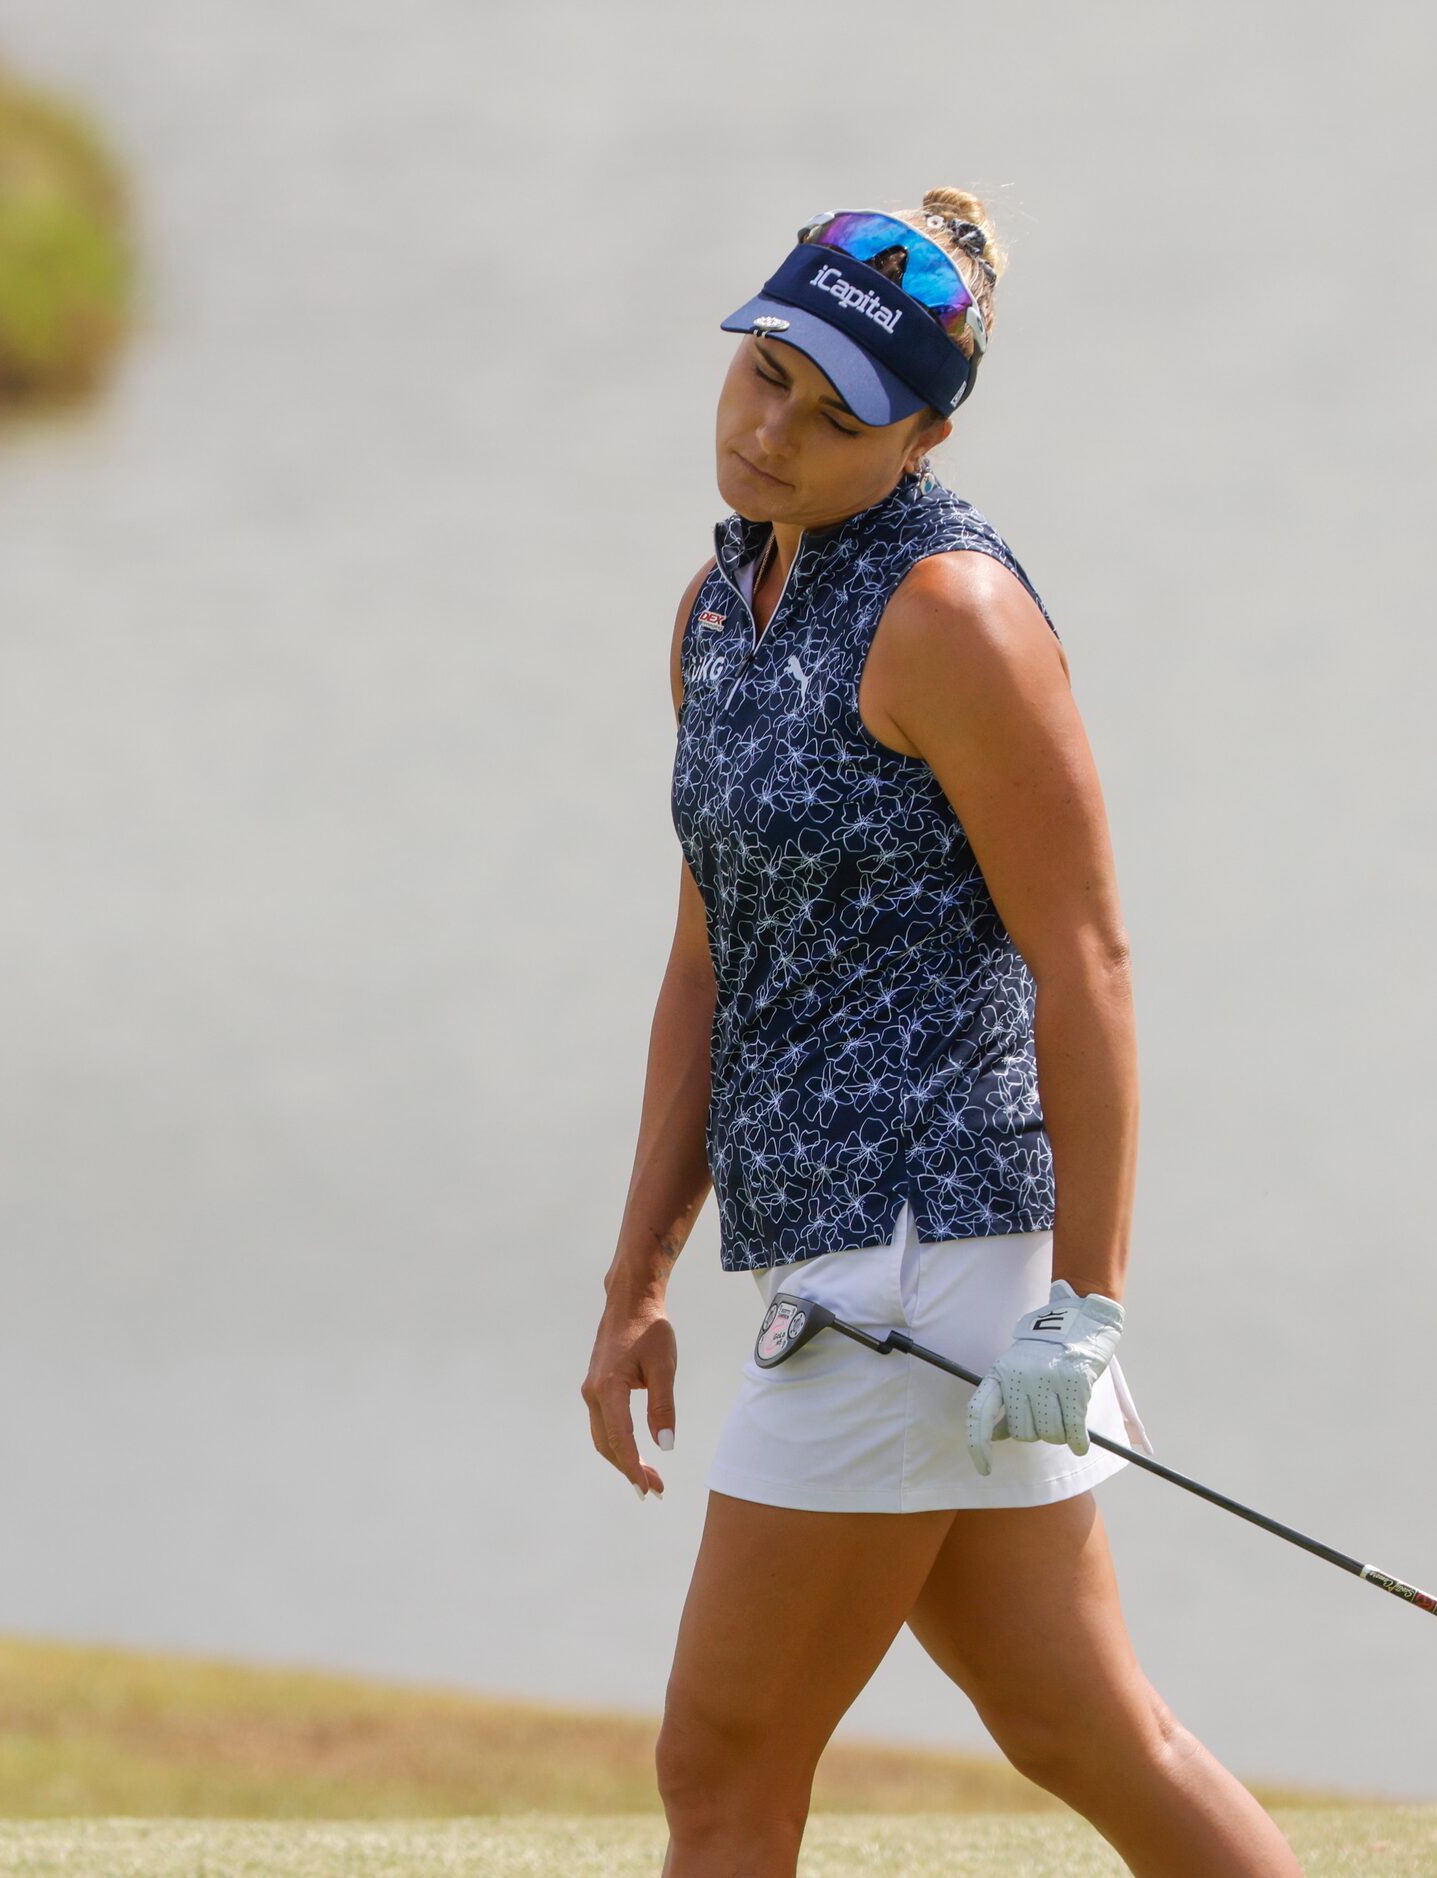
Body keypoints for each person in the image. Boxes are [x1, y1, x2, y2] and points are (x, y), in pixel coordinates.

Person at [580, 189, 1303, 1877]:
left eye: (834, 419)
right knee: (1084, 1728)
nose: (771, 435)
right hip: (860, 1255)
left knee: (724, 1759)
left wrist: (1090, 1300)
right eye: (763, 377)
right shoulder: (722, 611)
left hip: (919, 1261)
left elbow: (1086, 957)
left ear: (923, 432)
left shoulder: (952, 615)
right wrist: (633, 1282)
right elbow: (710, 956)